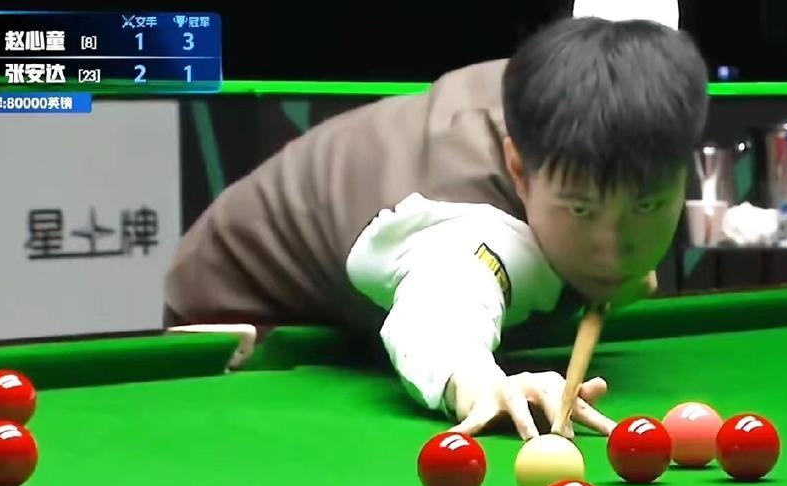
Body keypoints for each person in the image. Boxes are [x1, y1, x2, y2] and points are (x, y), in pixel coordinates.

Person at [164, 12, 709, 441]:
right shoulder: (471, 220)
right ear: (519, 169)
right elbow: (445, 299)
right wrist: (475, 383)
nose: (613, 248)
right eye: (582, 211)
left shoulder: (589, 97)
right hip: (238, 318)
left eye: (646, 206)